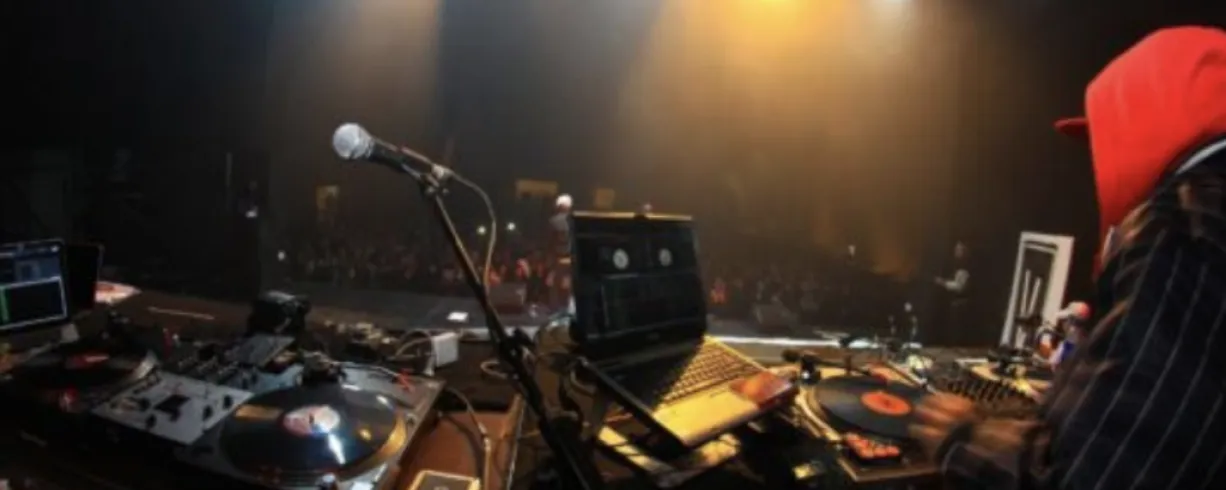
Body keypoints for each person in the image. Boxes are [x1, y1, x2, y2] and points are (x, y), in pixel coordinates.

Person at [909, 26, 1226, 490]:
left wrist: (964, 440)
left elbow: (1099, 476)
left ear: (1144, 110)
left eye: (1103, 139)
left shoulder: (1182, 227)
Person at [931, 241, 971, 345]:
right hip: (955, 303)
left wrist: (943, 283)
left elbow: (960, 287)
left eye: (959, 250)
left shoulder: (966, 267)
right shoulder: (956, 266)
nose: (956, 252)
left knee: (957, 332)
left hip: (961, 304)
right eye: (956, 249)